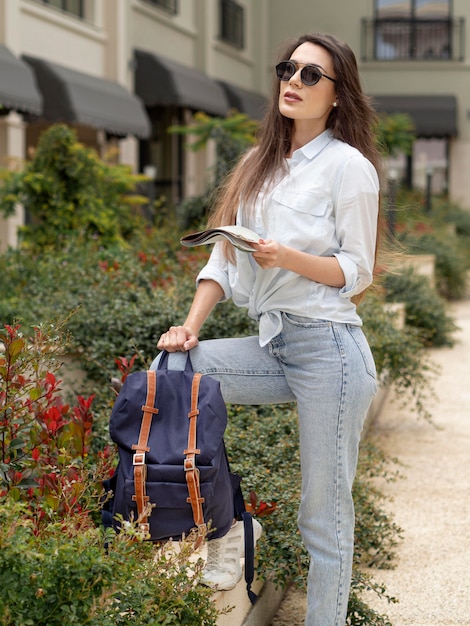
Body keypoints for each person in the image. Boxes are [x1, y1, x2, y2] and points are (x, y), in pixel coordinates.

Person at [154, 32, 381, 626]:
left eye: (312, 76)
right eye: (289, 69)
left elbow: (354, 272)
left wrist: (287, 258)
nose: (294, 82)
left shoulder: (347, 167)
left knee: (323, 516)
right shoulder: (259, 165)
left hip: (330, 351)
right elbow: (221, 261)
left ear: (336, 96)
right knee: (174, 370)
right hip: (275, 343)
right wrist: (189, 327)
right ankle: (224, 523)